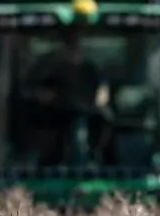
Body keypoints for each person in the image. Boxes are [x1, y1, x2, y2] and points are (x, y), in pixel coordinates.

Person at [20, 31, 111, 166]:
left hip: (85, 114)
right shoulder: (48, 68)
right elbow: (35, 90)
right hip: (50, 115)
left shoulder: (89, 69)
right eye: (69, 45)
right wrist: (46, 96)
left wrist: (98, 102)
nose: (73, 51)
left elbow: (102, 91)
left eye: (75, 46)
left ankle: (85, 165)